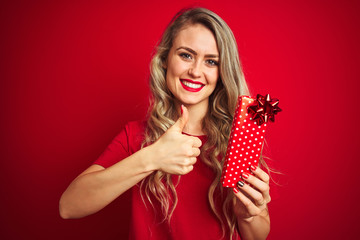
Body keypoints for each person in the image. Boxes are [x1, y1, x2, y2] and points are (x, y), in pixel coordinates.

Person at [59, 7, 272, 240]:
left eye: (211, 61)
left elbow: (257, 237)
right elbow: (69, 206)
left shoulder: (239, 140)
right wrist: (153, 157)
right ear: (165, 59)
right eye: (186, 55)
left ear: (222, 72)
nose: (195, 71)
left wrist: (248, 216)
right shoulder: (136, 135)